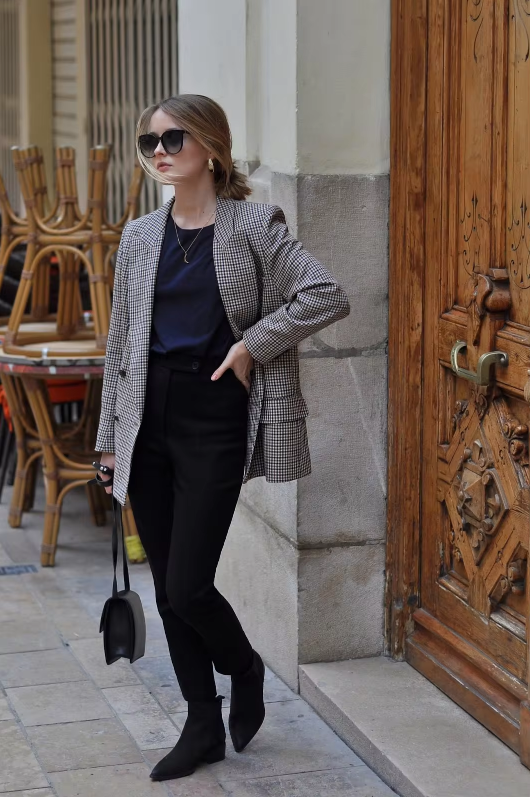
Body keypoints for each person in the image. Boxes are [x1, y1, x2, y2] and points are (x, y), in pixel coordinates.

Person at [95, 94, 350, 782]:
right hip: (145, 416)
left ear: (210, 146)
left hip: (213, 417)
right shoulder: (140, 236)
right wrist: (108, 441)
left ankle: (243, 665)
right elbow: (119, 344)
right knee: (167, 589)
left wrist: (250, 346)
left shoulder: (252, 224)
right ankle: (202, 722)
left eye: (173, 138)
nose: (159, 152)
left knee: (188, 583)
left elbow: (324, 294)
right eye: (149, 142)